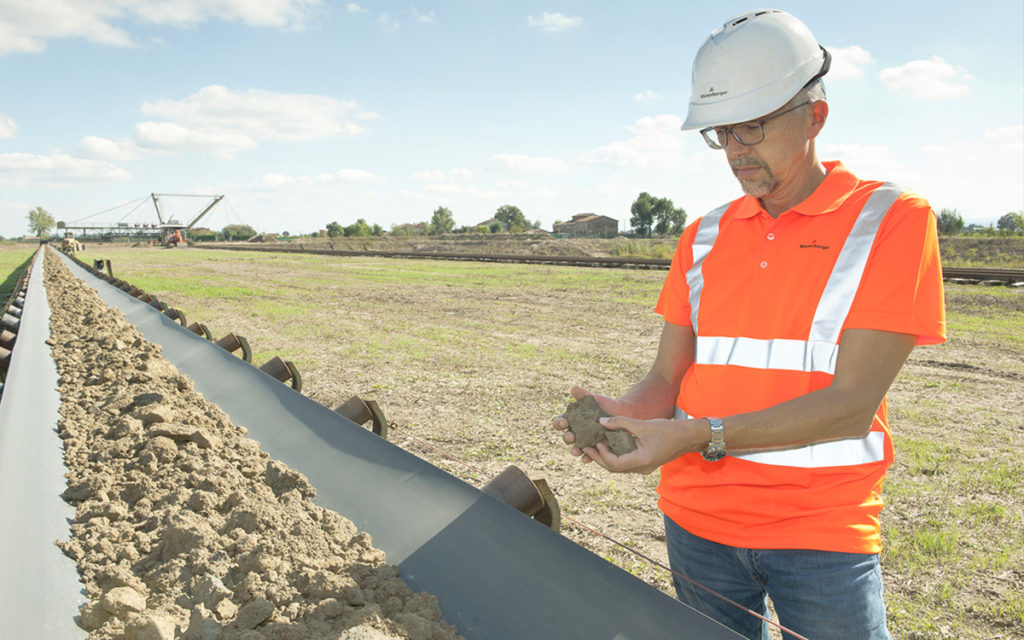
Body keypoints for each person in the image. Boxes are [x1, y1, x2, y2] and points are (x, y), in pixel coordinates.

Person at [553, 9, 945, 640]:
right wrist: (623, 412)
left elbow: (850, 407)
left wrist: (694, 437)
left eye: (753, 128)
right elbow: (667, 379)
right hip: (696, 524)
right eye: (722, 134)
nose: (736, 152)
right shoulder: (704, 235)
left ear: (815, 116)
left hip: (820, 534)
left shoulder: (890, 222)